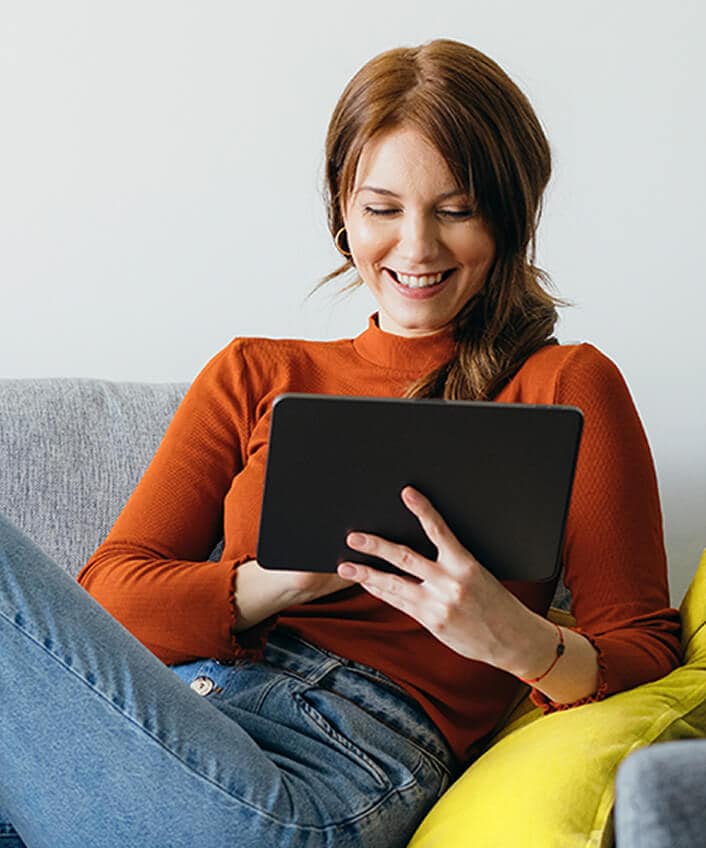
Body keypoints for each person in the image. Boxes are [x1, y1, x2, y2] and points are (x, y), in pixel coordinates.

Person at [0, 38, 682, 848]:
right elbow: (108, 593)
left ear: (509, 212)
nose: (417, 248)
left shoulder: (565, 384)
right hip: (162, 729)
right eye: (383, 209)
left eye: (456, 209)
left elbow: (643, 647)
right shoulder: (257, 372)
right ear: (341, 211)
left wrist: (518, 642)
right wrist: (277, 583)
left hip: (332, 771)